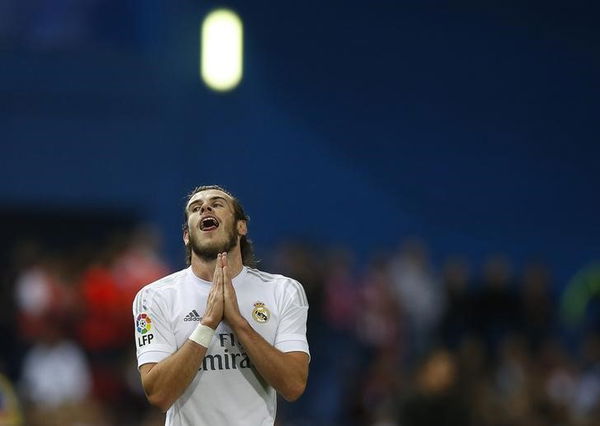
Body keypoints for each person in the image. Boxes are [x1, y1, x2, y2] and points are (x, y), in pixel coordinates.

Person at [132, 185, 310, 425]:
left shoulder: (283, 291)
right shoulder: (154, 297)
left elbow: (293, 386)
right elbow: (159, 395)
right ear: (186, 235)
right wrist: (207, 324)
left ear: (241, 226)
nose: (205, 207)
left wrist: (238, 323)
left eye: (217, 204)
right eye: (196, 208)